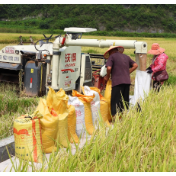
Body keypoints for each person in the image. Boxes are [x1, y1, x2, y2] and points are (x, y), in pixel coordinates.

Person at [104, 46, 138, 121]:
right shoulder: (126, 57)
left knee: (115, 100)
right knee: (124, 100)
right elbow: (135, 65)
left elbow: (109, 68)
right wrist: (127, 73)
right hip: (127, 82)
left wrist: (107, 76)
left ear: (111, 51)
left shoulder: (112, 56)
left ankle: (115, 120)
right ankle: (124, 118)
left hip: (117, 82)